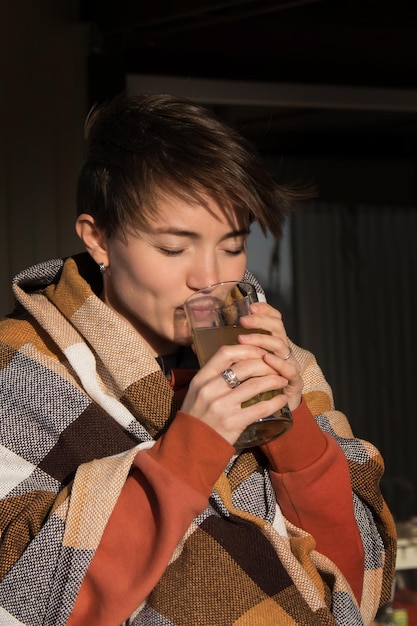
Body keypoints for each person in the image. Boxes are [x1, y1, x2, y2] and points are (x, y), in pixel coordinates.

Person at [0, 93, 396, 626]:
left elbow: (354, 584)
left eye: (232, 247)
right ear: (99, 240)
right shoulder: (20, 370)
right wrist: (190, 449)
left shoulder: (278, 358)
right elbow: (25, 595)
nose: (208, 277)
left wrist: (293, 431)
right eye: (173, 248)